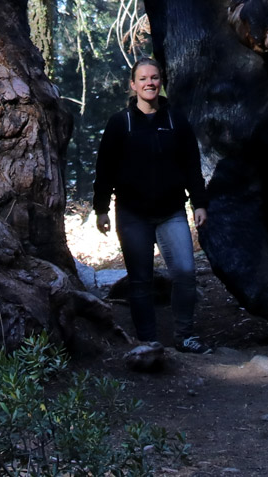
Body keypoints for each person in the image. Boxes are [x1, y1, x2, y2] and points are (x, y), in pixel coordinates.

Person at [93, 58, 209, 353]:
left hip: (171, 212)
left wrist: (199, 203)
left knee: (184, 272)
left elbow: (192, 167)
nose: (149, 83)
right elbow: (104, 168)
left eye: (154, 78)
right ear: (133, 85)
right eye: (143, 78)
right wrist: (101, 208)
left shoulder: (176, 121)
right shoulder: (121, 123)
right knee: (140, 279)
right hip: (133, 215)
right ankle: (148, 341)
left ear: (160, 83)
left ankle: (185, 336)